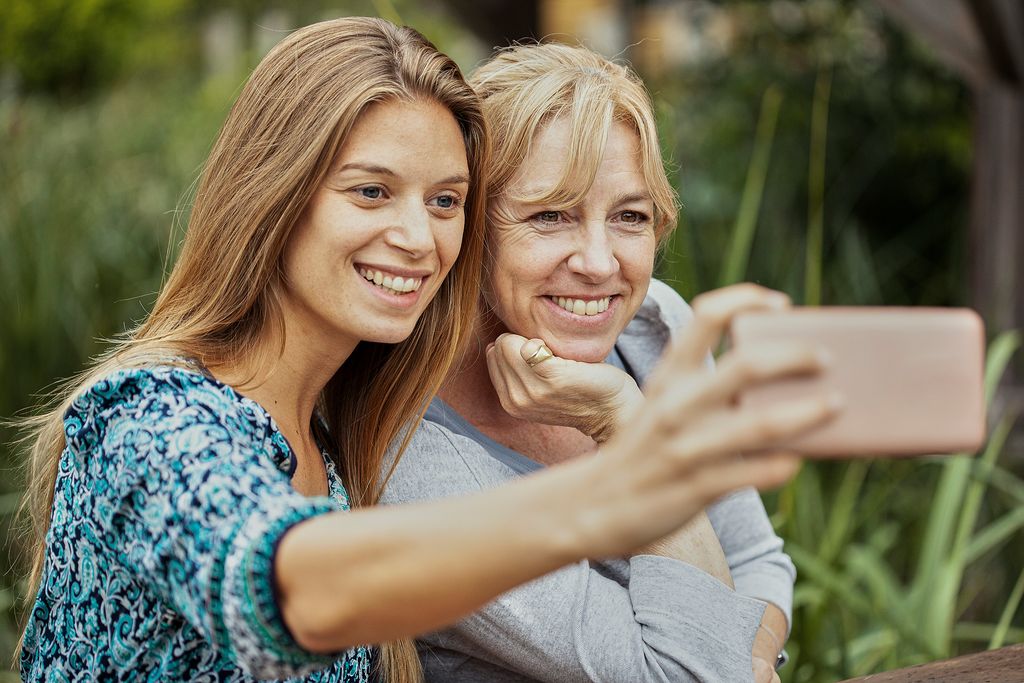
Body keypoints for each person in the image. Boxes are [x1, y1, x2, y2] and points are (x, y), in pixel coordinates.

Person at [18, 17, 835, 683]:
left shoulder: (346, 430)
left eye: (445, 200)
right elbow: (288, 590)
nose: (418, 238)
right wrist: (624, 483)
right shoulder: (147, 419)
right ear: (273, 195)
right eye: (371, 190)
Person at [381, 43, 803, 683]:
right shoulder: (411, 456)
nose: (600, 264)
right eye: (551, 216)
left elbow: (755, 558)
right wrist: (627, 427)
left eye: (629, 216)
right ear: (473, 227)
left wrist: (745, 662)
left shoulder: (654, 329)